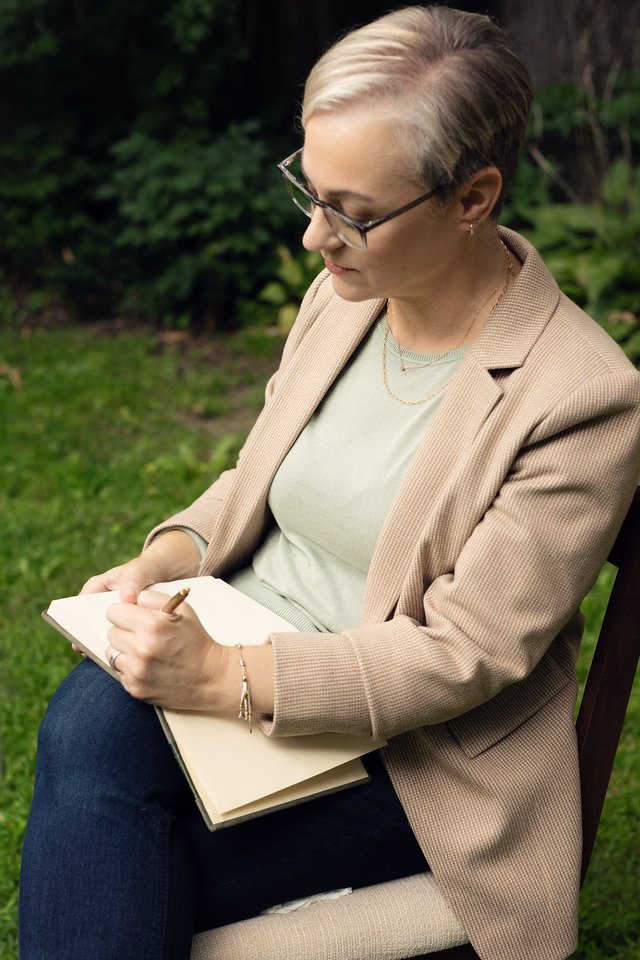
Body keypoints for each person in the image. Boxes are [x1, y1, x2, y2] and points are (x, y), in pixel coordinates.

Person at [19, 6, 640, 960]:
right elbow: (257, 477)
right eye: (308, 193)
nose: (316, 237)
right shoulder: (344, 300)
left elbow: (465, 653)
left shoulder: (582, 395)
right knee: (93, 731)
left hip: (416, 758)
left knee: (125, 841)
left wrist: (226, 677)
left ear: (474, 197)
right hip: (242, 650)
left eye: (351, 212)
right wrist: (166, 557)